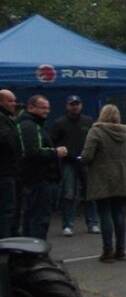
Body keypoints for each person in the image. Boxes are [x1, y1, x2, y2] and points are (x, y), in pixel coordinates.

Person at [81, 104, 126, 263]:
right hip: (122, 176)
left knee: (104, 213)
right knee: (118, 212)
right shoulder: (125, 133)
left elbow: (87, 155)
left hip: (102, 177)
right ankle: (121, 250)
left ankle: (107, 251)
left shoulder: (96, 131)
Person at [18, 95, 67, 240]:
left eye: (47, 108)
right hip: (38, 179)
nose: (46, 111)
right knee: (39, 218)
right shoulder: (30, 126)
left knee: (32, 216)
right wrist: (55, 152)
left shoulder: (36, 125)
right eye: (43, 107)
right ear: (31, 107)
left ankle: (29, 253)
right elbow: (32, 151)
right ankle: (36, 254)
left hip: (37, 178)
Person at [50, 94, 100, 236]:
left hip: (85, 162)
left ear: (81, 105)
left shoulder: (88, 121)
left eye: (77, 104)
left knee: (90, 193)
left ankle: (92, 223)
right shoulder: (60, 123)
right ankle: (68, 225)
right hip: (68, 163)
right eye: (72, 104)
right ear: (67, 106)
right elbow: (52, 141)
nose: (75, 106)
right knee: (69, 194)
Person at [0, 89, 22, 238]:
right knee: (7, 208)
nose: (14, 104)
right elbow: (7, 141)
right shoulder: (2, 120)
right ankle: (6, 241)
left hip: (11, 170)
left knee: (11, 207)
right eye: (10, 101)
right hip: (5, 170)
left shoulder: (7, 119)